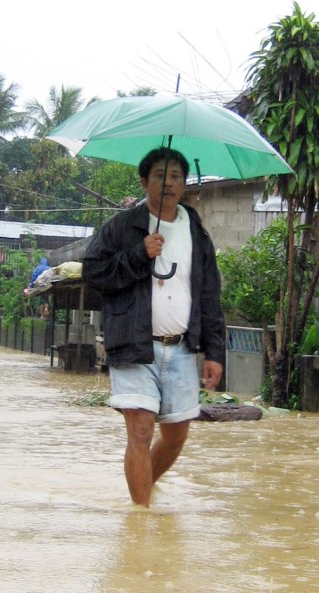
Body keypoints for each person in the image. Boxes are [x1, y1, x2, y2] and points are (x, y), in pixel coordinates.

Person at [82, 147, 224, 507]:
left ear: (185, 184)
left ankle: (142, 484)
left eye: (176, 176)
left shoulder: (196, 231)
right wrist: (137, 254)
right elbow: (93, 273)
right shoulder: (121, 227)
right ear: (144, 182)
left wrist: (214, 352)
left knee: (175, 437)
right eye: (160, 176)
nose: (169, 183)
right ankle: (140, 522)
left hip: (181, 349)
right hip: (134, 346)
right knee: (141, 432)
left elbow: (209, 294)